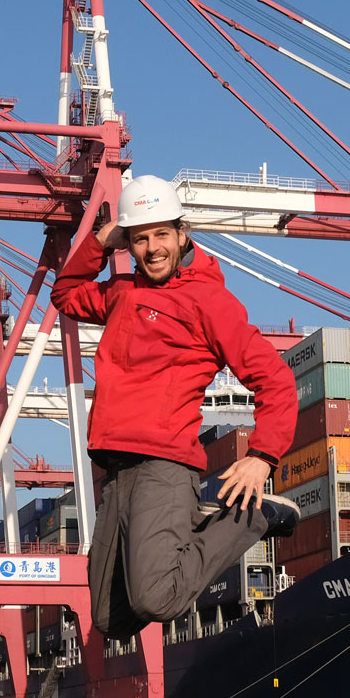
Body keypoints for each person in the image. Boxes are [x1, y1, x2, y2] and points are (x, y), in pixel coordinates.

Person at [52, 174, 301, 639]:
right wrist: (100, 242)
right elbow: (65, 295)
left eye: (162, 234)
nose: (152, 248)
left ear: (182, 234)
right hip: (117, 468)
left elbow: (276, 378)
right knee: (109, 619)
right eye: (140, 238)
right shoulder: (124, 292)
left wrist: (262, 456)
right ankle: (191, 520)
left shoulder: (209, 301)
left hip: (164, 463)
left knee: (155, 597)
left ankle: (253, 517)